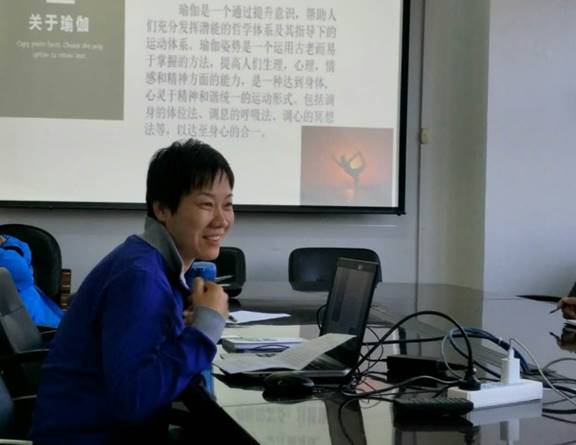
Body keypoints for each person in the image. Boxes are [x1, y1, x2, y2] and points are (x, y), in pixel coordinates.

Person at [31, 139, 234, 444]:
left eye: (227, 204)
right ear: (162, 208)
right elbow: (133, 400)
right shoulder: (141, 277)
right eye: (206, 204)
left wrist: (185, 329)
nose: (222, 219)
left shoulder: (148, 261)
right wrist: (205, 330)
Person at [0, 234, 63, 328]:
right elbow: (22, 272)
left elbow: (20, 269)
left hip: (37, 323)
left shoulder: (12, 245)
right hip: (29, 323)